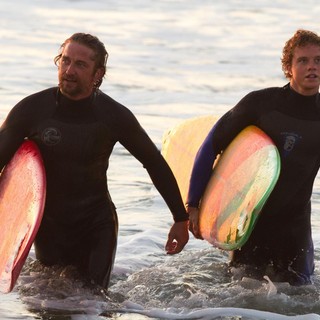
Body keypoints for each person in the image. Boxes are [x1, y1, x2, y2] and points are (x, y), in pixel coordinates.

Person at [0, 33, 189, 289]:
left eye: (80, 64)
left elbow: (153, 162)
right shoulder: (31, 110)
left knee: (93, 303)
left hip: (96, 225)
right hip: (48, 226)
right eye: (65, 61)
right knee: (49, 305)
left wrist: (180, 218)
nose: (69, 70)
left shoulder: (113, 116)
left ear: (98, 73)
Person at [186, 29, 320, 285]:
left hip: (296, 228)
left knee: (301, 299)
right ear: (288, 67)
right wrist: (193, 204)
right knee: (240, 293)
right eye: (303, 60)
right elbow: (210, 146)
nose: (311, 67)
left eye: (318, 60)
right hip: (251, 224)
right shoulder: (261, 104)